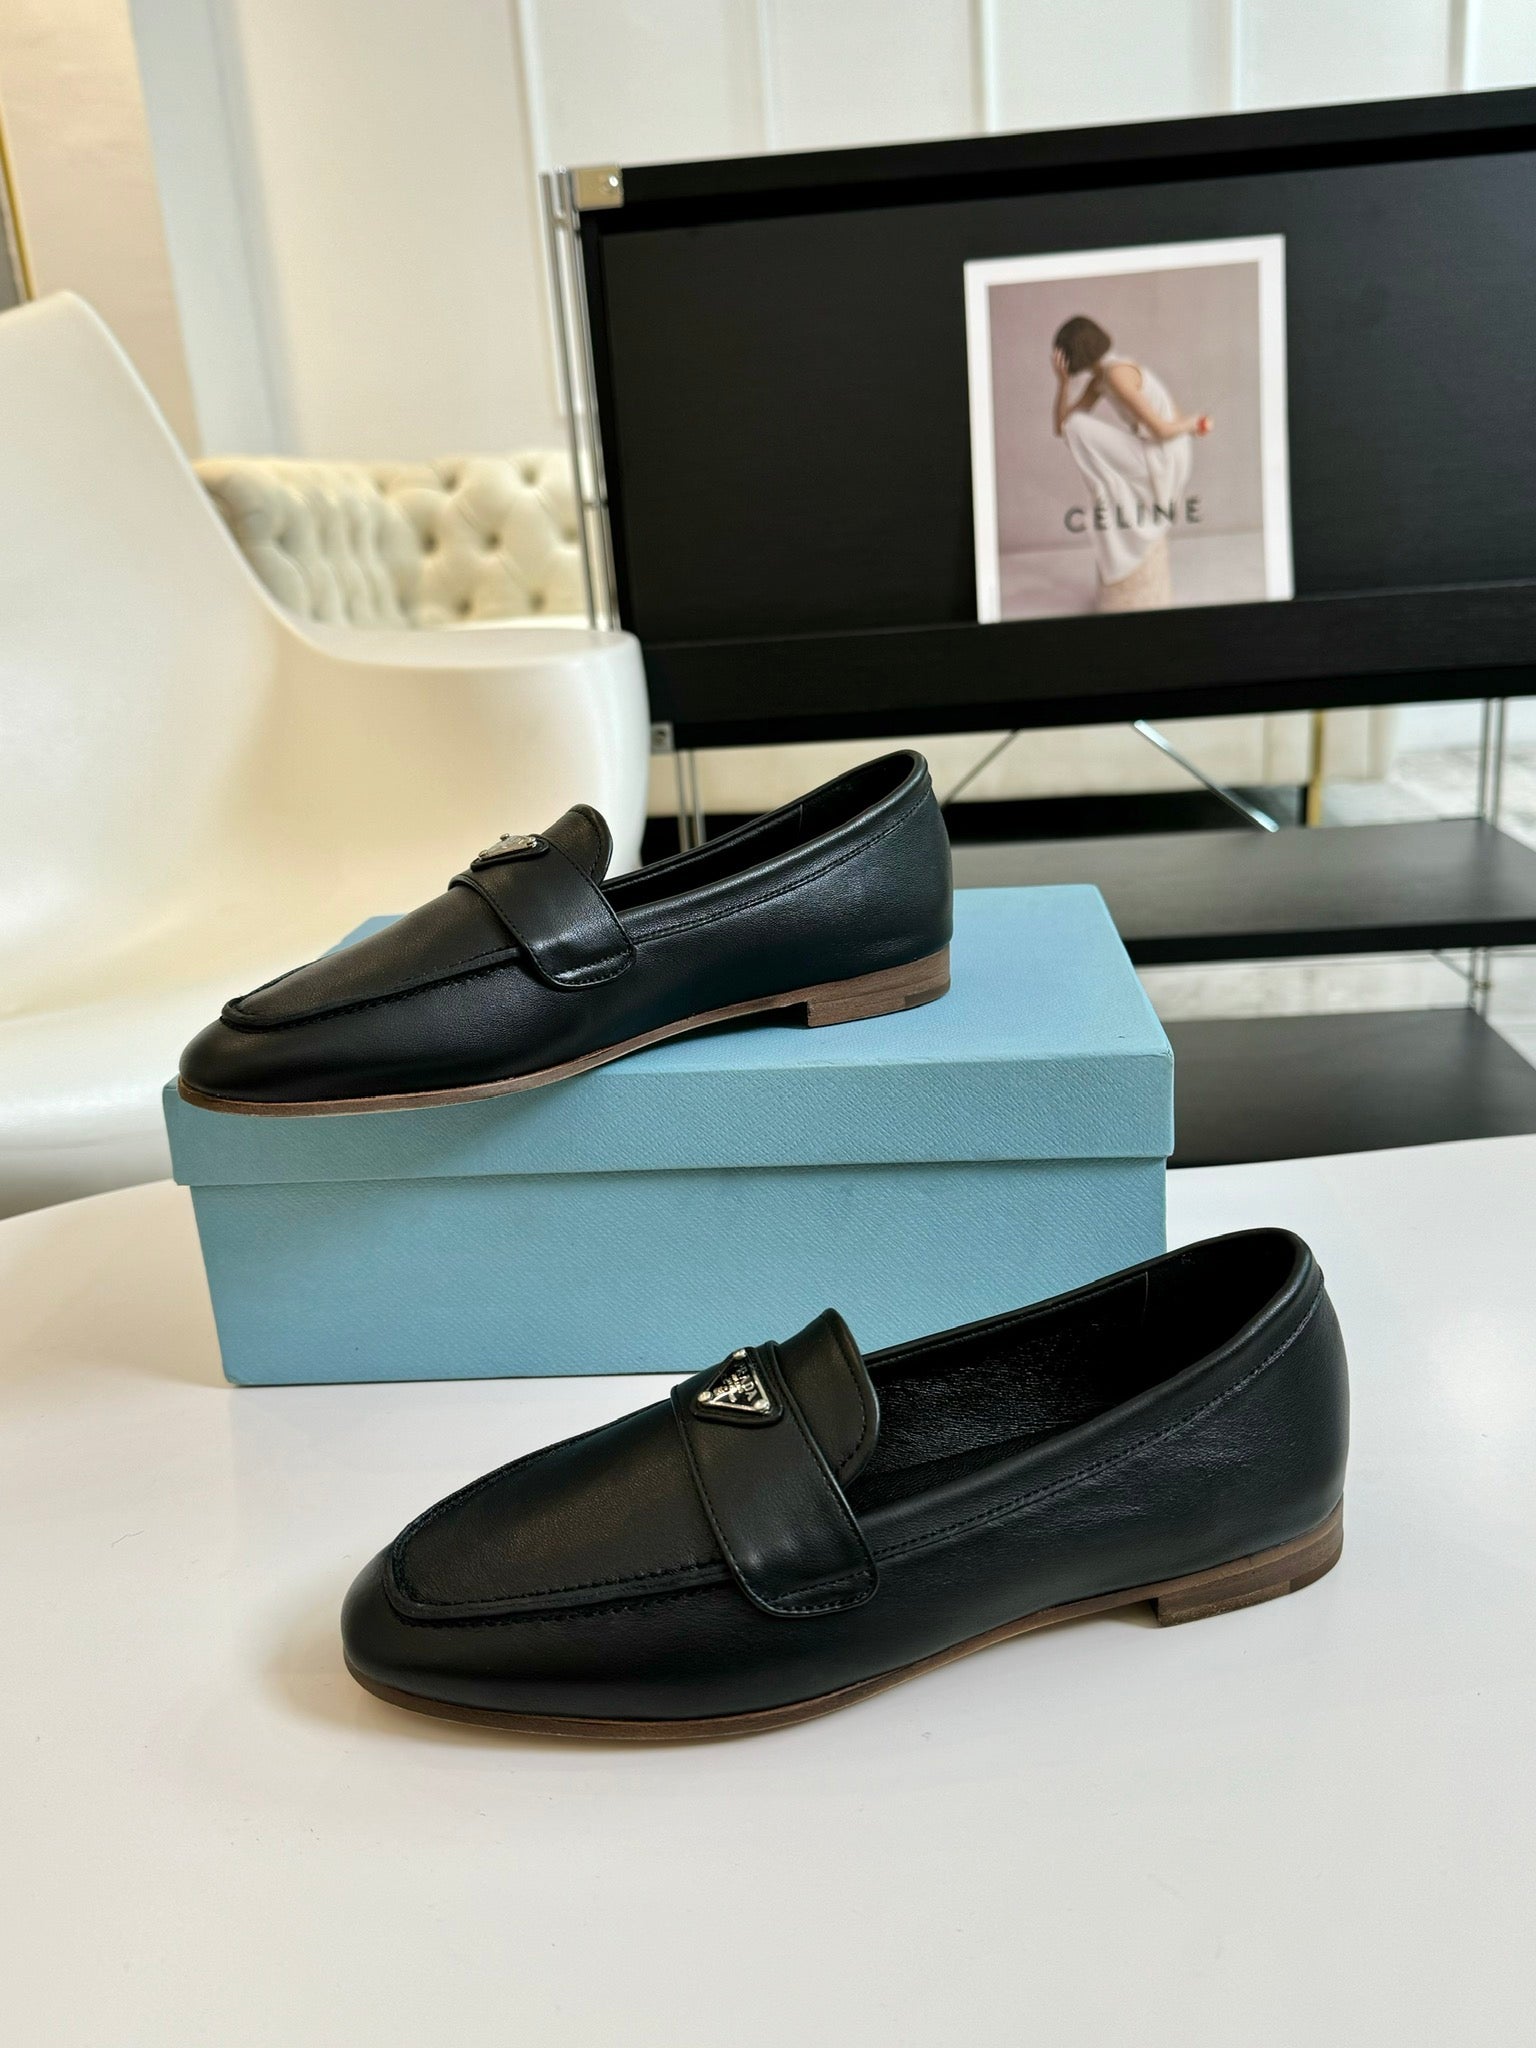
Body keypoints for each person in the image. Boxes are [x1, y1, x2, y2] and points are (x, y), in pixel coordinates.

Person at [1050, 313, 1212, 611]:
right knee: (1075, 425)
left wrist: (1193, 423)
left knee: (1078, 426)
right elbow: (1062, 428)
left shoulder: (1117, 374)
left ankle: (1110, 487)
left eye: (1064, 356)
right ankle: (1110, 486)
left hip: (1165, 454)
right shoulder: (1100, 379)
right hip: (1152, 448)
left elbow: (1161, 430)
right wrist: (1062, 385)